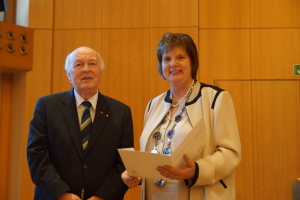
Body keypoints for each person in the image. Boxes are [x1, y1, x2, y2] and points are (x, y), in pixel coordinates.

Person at [121, 32, 241, 200]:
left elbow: (230, 153)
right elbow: (152, 152)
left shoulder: (215, 99)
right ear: (161, 66)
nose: (173, 64)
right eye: (167, 59)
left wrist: (197, 170)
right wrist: (135, 174)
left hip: (197, 192)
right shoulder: (153, 105)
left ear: (192, 62)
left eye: (180, 57)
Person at [27, 46, 134, 200]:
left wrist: (100, 197)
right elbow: (37, 157)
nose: (86, 69)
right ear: (69, 75)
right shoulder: (46, 107)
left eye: (92, 64)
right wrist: (63, 195)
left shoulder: (121, 112)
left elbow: (124, 163)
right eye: (78, 65)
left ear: (100, 73)